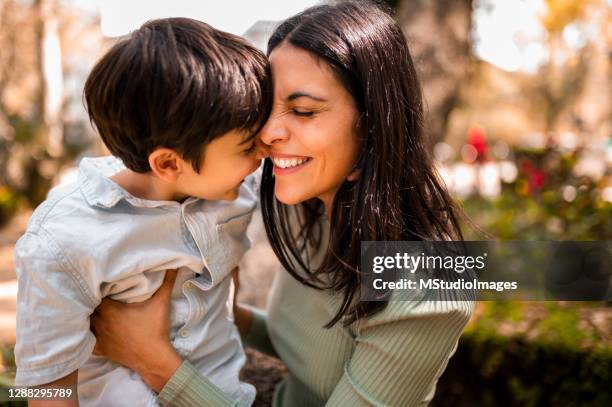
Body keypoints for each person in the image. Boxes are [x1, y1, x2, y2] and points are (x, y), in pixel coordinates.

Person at [91, 2, 475, 406]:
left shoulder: (428, 287)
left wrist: (154, 362)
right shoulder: (305, 206)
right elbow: (310, 349)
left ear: (373, 126)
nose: (268, 133)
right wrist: (224, 315)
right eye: (266, 107)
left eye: (303, 110)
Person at [13, 17, 270, 406]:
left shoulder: (233, 191)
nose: (264, 152)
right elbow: (45, 387)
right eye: (248, 146)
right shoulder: (64, 242)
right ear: (168, 164)